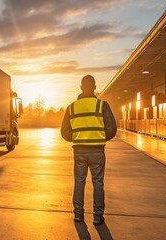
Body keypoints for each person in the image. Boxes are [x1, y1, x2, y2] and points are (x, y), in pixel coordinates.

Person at [60, 74, 117, 226]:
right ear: (94, 88)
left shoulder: (71, 107)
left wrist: (78, 137)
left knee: (79, 182)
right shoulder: (102, 105)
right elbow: (112, 128)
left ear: (80, 88)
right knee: (98, 182)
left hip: (79, 150)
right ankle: (98, 217)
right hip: (97, 150)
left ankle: (78, 215)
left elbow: (64, 132)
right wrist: (99, 137)